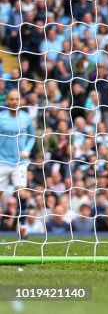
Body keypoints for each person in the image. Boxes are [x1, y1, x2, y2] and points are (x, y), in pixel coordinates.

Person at [0, 90, 34, 238]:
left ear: (21, 101)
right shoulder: (1, 118)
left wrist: (26, 150)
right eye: (12, 99)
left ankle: (23, 225)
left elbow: (32, 136)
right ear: (7, 101)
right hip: (2, 161)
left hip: (20, 162)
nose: (14, 102)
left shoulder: (26, 118)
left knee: (22, 193)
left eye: (17, 99)